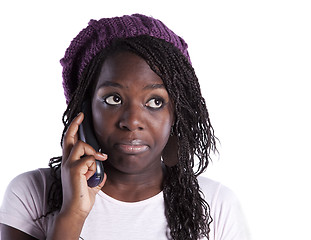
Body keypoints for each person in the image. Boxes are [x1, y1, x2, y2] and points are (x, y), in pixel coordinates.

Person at [0, 14, 249, 239]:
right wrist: (72, 215)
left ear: (176, 113)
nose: (132, 122)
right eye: (113, 99)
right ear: (85, 109)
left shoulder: (217, 205)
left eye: (155, 101)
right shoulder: (32, 193)